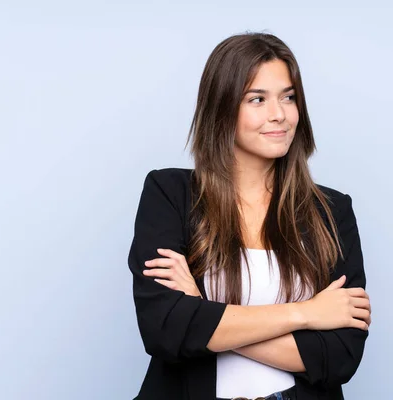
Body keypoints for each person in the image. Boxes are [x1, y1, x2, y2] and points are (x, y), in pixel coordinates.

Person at [127, 32, 372, 400]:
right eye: (257, 99)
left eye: (289, 97)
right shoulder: (170, 194)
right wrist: (307, 313)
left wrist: (206, 316)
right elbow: (166, 330)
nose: (279, 114)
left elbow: (339, 357)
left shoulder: (332, 212)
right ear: (222, 107)